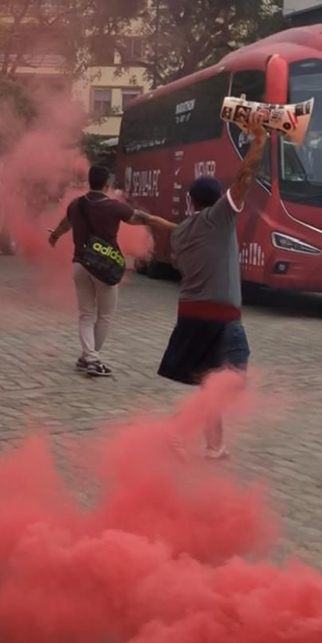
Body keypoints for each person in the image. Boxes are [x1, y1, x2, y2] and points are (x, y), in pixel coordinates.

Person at [158, 125, 268, 459]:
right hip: (221, 318)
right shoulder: (218, 218)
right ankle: (176, 428)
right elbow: (244, 177)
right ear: (218, 200)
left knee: (211, 385)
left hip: (189, 317)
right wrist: (259, 141)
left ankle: (214, 446)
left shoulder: (180, 234)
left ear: (190, 201)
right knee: (231, 381)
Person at [48, 166, 176, 377]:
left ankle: (87, 357)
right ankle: (91, 359)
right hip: (104, 268)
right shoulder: (114, 207)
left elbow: (65, 224)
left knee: (86, 315)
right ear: (107, 183)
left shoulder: (76, 204)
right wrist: (177, 228)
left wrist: (54, 237)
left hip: (80, 265)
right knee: (104, 315)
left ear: (90, 181)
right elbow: (147, 219)